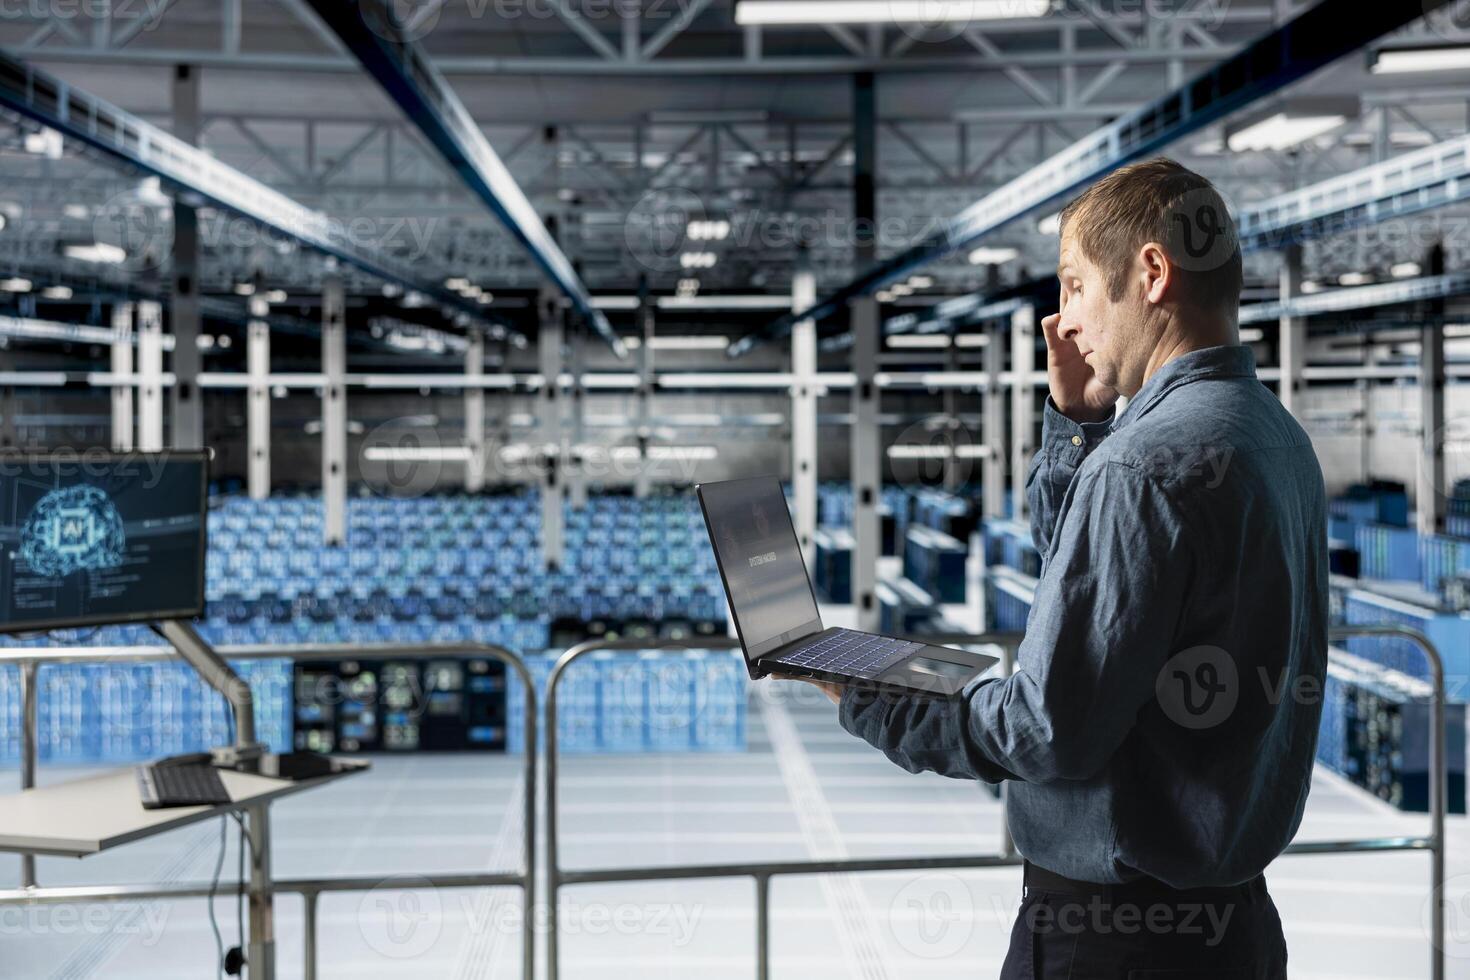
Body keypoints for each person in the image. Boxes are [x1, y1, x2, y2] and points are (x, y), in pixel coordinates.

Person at [788, 158, 1327, 978]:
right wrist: (1078, 425)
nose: (1063, 319)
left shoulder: (1142, 465)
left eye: (1073, 284)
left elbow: (1046, 730)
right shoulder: (1272, 435)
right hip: (1235, 929)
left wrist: (878, 697)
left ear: (1150, 272)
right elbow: (1092, 579)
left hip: (1112, 941)